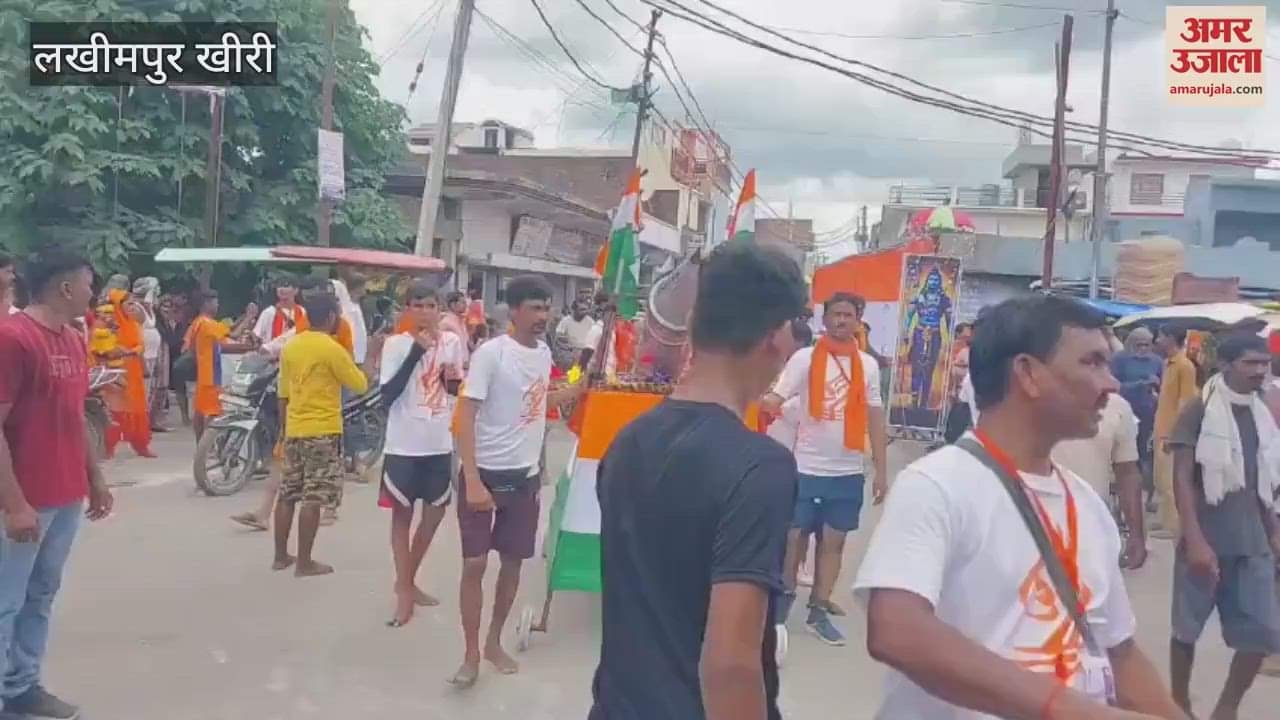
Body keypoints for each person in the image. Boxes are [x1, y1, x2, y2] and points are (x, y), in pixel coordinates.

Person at [854, 295, 1183, 720]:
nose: (1112, 384)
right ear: (1027, 373)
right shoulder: (937, 484)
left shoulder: (1086, 503)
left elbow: (1118, 652)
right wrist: (1068, 710)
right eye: (1092, 363)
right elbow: (898, 631)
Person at [589, 242, 806, 720]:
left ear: (691, 325)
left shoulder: (627, 441)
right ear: (776, 337)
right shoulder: (759, 467)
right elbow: (730, 667)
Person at [451, 274, 585, 688]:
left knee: (512, 564)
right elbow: (465, 416)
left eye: (547, 308)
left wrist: (578, 390)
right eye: (535, 308)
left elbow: (537, 402)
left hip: (525, 478)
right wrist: (472, 479)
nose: (543, 316)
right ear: (514, 311)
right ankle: (470, 654)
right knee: (474, 564)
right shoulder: (492, 354)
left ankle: (493, 642)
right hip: (484, 475)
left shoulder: (543, 354)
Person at [0, 247, 114, 720]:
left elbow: (74, 415)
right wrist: (15, 505)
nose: (93, 292)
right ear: (65, 287)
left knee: (40, 594)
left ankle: (21, 686)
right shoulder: (13, 338)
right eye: (88, 284)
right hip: (25, 498)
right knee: (5, 601)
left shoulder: (72, 338)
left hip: (65, 495)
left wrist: (95, 477)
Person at [759, 292, 888, 646]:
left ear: (858, 320)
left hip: (847, 469)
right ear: (825, 319)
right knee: (794, 538)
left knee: (834, 542)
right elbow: (775, 399)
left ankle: (818, 610)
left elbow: (875, 416)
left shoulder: (868, 365)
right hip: (805, 466)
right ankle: (781, 607)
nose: (842, 320)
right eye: (836, 314)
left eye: (848, 315)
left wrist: (881, 470)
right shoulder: (804, 359)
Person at [1164, 332, 1280, 719]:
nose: (1259, 370)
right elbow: (1182, 477)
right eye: (1250, 363)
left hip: (1253, 541)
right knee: (1186, 630)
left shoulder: (1262, 412)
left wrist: (1273, 531)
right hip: (1206, 537)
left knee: (1263, 631)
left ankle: (1226, 708)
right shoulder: (1199, 408)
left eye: (1264, 363)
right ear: (1225, 365)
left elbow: (1262, 479)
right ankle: (1178, 704)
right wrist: (1194, 538)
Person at [378, 283, 464, 627]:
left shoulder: (452, 342)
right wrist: (416, 352)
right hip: (403, 444)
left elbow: (454, 388)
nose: (426, 312)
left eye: (431, 305)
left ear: (439, 309)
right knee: (402, 516)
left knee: (434, 513)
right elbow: (387, 395)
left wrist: (451, 381)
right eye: (418, 305)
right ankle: (405, 591)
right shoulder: (396, 344)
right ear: (407, 309)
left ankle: (407, 580)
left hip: (439, 441)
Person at [272, 294, 368, 577]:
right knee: (313, 497)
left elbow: (283, 394)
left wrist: (284, 431)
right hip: (323, 430)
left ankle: (280, 556)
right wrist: (371, 358)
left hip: (295, 428)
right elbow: (360, 384)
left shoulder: (291, 347)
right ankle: (304, 562)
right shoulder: (332, 349)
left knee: (288, 493)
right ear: (330, 317)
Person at [1053, 391, 1148, 569]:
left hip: (1093, 533)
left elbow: (1127, 472)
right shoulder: (1026, 401)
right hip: (1032, 530)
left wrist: (1136, 534)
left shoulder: (1116, 407)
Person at [184, 291, 256, 442]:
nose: (218, 306)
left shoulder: (198, 322)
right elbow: (233, 335)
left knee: (200, 410)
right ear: (207, 304)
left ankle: (200, 444)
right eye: (216, 303)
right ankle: (207, 444)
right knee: (212, 412)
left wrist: (243, 317)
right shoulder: (207, 323)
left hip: (203, 372)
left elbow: (190, 347)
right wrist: (249, 317)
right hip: (212, 374)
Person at [1154, 324, 1200, 539]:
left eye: (1160, 336)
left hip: (1170, 434)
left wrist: (1174, 435)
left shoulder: (1185, 366)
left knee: (1170, 483)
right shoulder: (1168, 363)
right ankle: (1165, 521)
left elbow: (1185, 403)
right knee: (1160, 481)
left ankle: (1175, 527)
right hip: (1160, 430)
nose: (1157, 341)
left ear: (1171, 338)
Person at [1113, 326, 1163, 509]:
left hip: (1148, 414)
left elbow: (1164, 387)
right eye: (1139, 345)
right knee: (1123, 456)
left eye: (1147, 345)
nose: (1143, 349)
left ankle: (1148, 498)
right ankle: (1121, 499)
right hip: (1123, 412)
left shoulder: (1157, 361)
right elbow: (1114, 385)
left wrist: (1157, 388)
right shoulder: (1119, 359)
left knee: (1146, 455)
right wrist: (1140, 384)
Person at [104, 283, 155, 458]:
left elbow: (140, 345)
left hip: (134, 371)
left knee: (138, 408)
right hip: (118, 371)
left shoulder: (133, 323)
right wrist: (127, 351)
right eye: (129, 304)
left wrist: (138, 356)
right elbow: (107, 348)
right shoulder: (110, 325)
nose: (133, 307)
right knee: (116, 410)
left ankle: (141, 445)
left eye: (133, 303)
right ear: (118, 306)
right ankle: (108, 447)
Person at [132, 277, 169, 432]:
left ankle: (144, 422)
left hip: (153, 354)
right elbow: (135, 332)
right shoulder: (135, 308)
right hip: (143, 355)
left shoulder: (150, 308)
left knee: (150, 391)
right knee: (141, 390)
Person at [252, 278, 305, 345]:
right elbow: (256, 336)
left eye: (285, 286)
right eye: (279, 286)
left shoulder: (302, 311)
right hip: (272, 350)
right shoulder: (269, 312)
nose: (281, 289)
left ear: (296, 290)